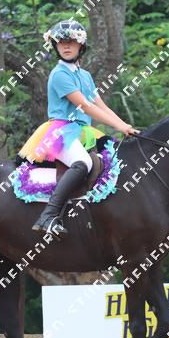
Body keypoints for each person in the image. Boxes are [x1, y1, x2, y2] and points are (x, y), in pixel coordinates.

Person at [19, 20, 139, 236]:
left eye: (71, 42)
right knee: (83, 163)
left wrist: (125, 126)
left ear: (81, 46)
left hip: (82, 131)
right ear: (55, 46)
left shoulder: (85, 76)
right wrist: (118, 126)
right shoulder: (59, 74)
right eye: (61, 42)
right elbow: (85, 106)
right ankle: (47, 216)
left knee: (110, 162)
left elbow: (101, 106)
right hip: (61, 131)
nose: (66, 46)